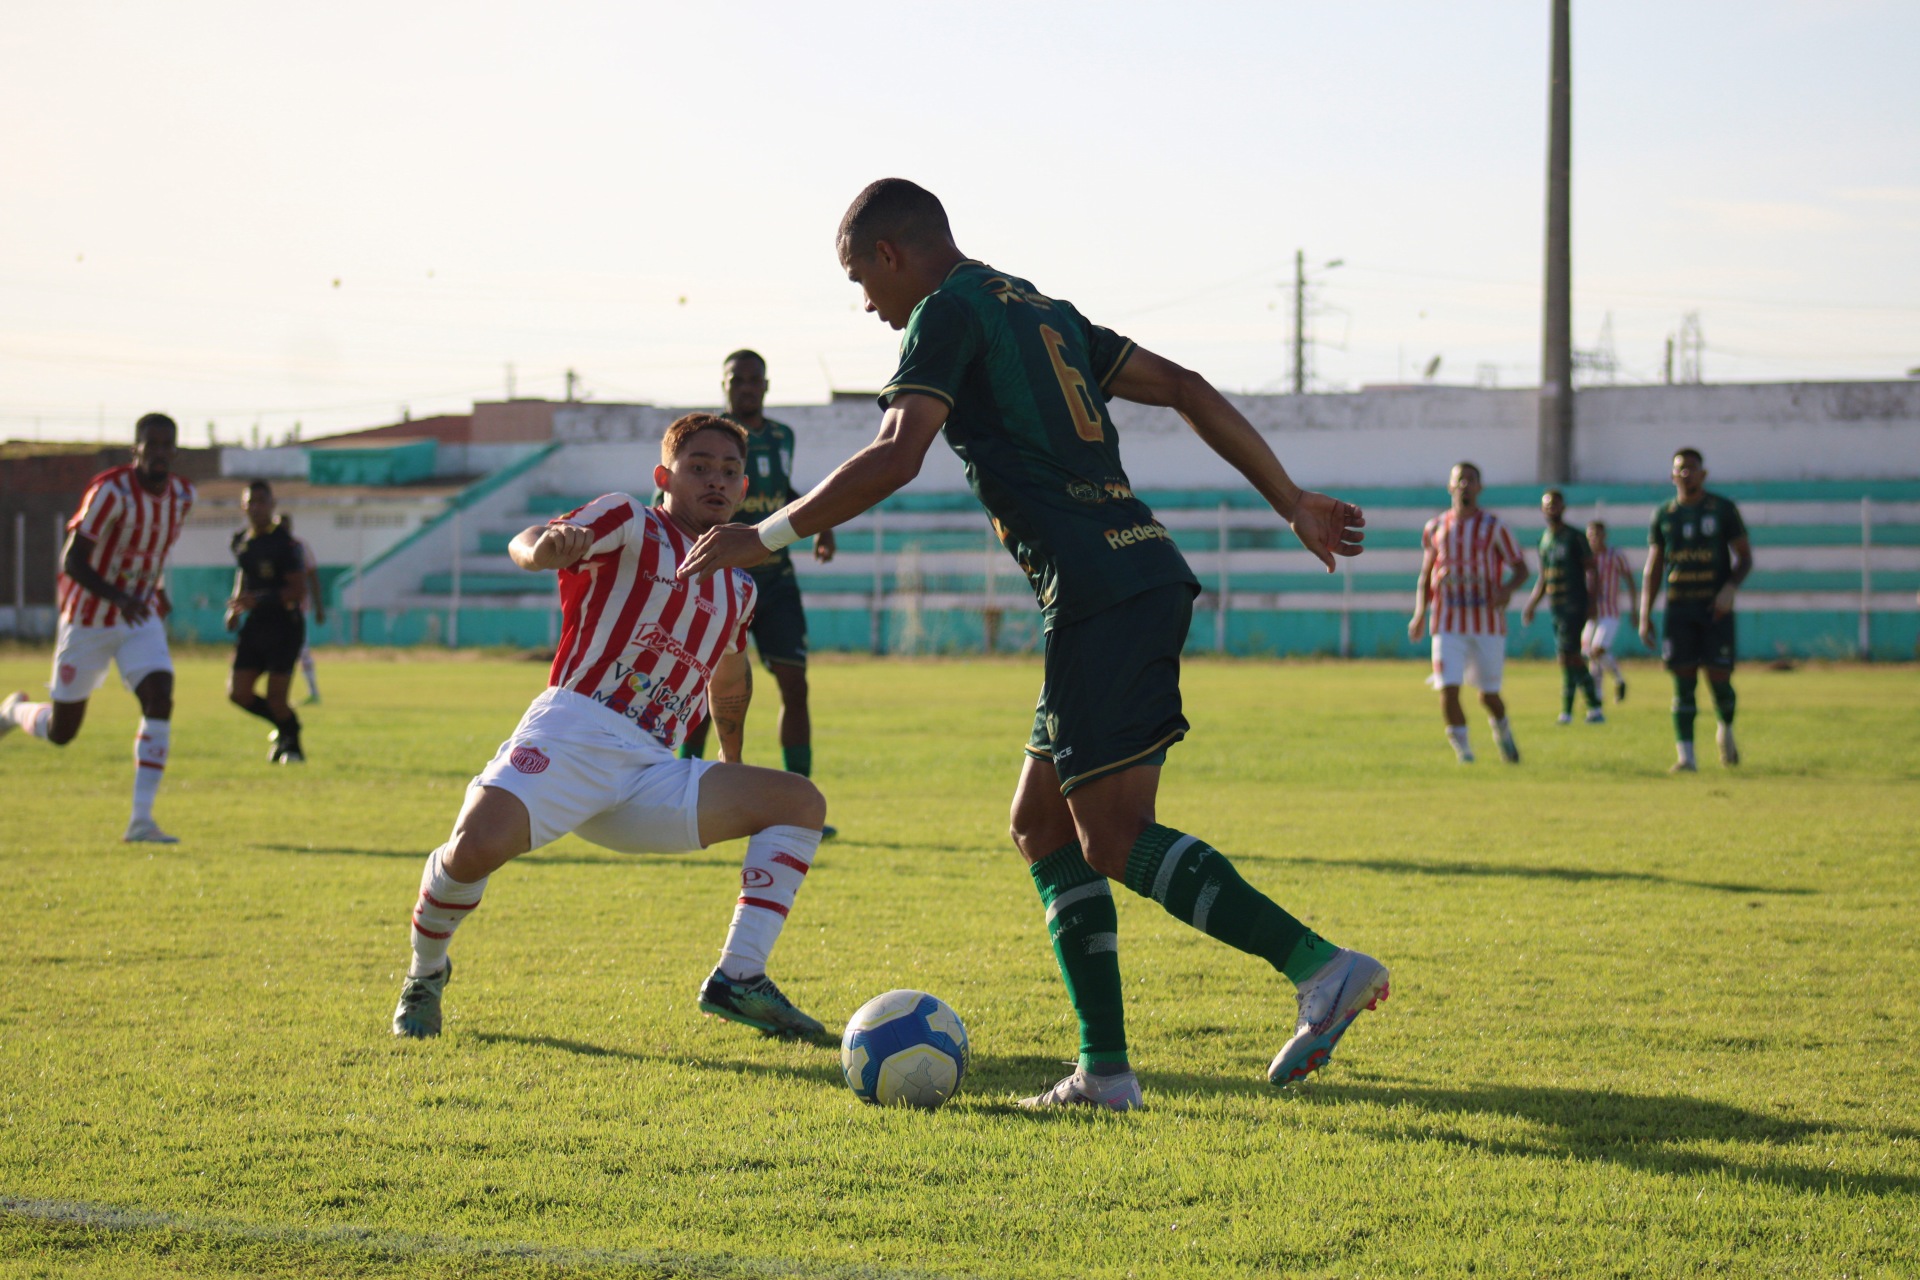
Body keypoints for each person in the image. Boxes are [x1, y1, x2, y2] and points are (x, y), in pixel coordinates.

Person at [677, 178, 1385, 1110]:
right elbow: (1185, 386)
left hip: (1101, 589)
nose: (867, 306)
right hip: (1128, 574)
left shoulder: (946, 311)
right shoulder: (1039, 307)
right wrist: (1287, 499)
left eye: (862, 279)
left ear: (892, 253)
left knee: (1111, 837)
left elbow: (898, 452)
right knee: (1039, 826)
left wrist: (762, 535)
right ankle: (1107, 1073)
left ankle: (1320, 967)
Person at [390, 413, 830, 1041]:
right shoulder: (632, 521)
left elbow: (729, 679)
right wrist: (540, 550)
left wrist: (731, 761)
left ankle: (740, 977)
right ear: (665, 477)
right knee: (472, 851)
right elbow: (534, 537)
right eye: (699, 467)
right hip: (572, 731)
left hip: (650, 768)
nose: (716, 480)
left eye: (730, 471)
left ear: (744, 488)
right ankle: (425, 974)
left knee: (799, 803)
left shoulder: (739, 584)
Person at [1, 413, 194, 843]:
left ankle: (141, 820)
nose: (159, 452)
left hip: (138, 616)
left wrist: (152, 591)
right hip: (88, 618)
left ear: (174, 452)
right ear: (136, 450)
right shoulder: (111, 491)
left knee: (160, 696)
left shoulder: (183, 495)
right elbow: (72, 559)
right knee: (63, 732)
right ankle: (13, 711)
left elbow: (151, 550)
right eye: (152, 444)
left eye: (167, 445)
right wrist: (118, 595)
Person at [676, 350, 839, 838]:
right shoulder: (709, 440)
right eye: (736, 379)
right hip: (720, 576)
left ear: (765, 386)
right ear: (724, 385)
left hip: (776, 580)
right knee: (707, 686)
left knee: (795, 683)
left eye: (753, 380)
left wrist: (823, 524)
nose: (746, 387)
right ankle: (687, 791)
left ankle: (799, 802)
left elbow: (782, 489)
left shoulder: (783, 437)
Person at [1639, 448, 1751, 772]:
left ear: (1704, 474)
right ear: (1672, 476)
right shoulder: (1664, 514)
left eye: (1692, 468)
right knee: (1682, 680)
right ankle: (1686, 757)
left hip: (1714, 609)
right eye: (1680, 469)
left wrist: (1729, 588)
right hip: (1679, 609)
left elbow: (1745, 557)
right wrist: (1645, 614)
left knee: (1719, 677)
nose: (1686, 473)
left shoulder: (1723, 510)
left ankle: (1725, 730)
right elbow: (1654, 566)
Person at [1409, 462, 1529, 763]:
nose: (1464, 485)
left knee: (1488, 695)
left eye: (1471, 480)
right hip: (1447, 622)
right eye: (1459, 480)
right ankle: (1464, 753)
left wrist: (1506, 590)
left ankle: (1503, 734)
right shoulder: (1435, 527)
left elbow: (1521, 569)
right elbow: (1426, 575)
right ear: (1450, 487)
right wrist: (1420, 613)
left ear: (1479, 487)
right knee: (1448, 689)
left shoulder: (1495, 527)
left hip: (1486, 623)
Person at [225, 481, 309, 763]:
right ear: (243, 506)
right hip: (256, 625)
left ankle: (293, 744)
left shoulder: (284, 543)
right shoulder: (241, 541)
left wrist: (259, 599)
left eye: (263, 501)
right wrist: (235, 607)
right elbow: (243, 574)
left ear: (273, 505)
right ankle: (287, 728)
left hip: (284, 626)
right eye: (252, 502)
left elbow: (298, 591)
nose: (257, 508)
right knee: (238, 693)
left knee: (276, 697)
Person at [1521, 489, 1602, 724]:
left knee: (1568, 655)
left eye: (1555, 504)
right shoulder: (1544, 540)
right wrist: (1532, 604)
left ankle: (1579, 709)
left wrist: (1593, 602)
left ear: (1563, 507)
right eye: (1547, 505)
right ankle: (1587, 708)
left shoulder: (1575, 537)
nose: (1551, 509)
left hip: (1574, 603)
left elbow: (1591, 570)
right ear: (1542, 509)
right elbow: (1544, 577)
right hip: (1556, 606)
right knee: (1569, 656)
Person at [1582, 519, 1636, 703]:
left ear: (1604, 536)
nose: (1594, 539)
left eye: (1597, 534)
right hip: (1591, 613)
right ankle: (1598, 696)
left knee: (1598, 649)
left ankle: (1615, 682)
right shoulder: (1586, 558)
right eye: (1590, 535)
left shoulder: (1615, 555)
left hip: (1610, 612)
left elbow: (1629, 581)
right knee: (1590, 653)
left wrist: (1635, 609)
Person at [282, 516, 325, 704]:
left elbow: (313, 576)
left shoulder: (298, 547)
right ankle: (278, 695)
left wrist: (318, 606)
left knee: (301, 649)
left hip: (296, 608)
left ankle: (313, 691)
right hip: (272, 609)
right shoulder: (268, 546)